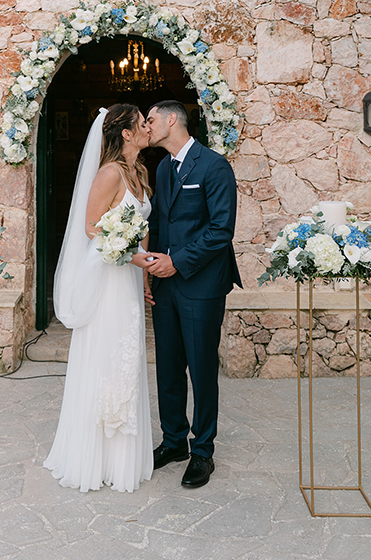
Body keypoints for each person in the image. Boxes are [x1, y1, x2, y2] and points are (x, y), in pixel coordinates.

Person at [44, 104, 154, 492]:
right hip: (108, 278)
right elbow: (91, 228)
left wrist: (143, 277)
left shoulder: (138, 173)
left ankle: (122, 457)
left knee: (127, 358)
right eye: (143, 124)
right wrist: (129, 252)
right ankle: (95, 456)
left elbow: (138, 228)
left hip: (128, 280)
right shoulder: (109, 173)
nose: (148, 129)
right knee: (107, 356)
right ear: (125, 133)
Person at [137, 99, 241, 489]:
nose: (147, 127)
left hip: (201, 284)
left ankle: (203, 452)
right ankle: (175, 441)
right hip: (165, 283)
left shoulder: (214, 166)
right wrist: (150, 272)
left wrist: (177, 262)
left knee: (200, 368)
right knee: (167, 366)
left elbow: (220, 230)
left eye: (150, 119)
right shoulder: (163, 168)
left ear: (170, 120)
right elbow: (161, 224)